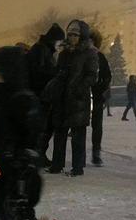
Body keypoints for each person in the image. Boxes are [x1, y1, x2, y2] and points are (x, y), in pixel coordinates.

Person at [0, 46, 44, 220]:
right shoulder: (0, 95)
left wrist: (25, 157)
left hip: (21, 166)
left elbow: (33, 133)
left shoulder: (23, 99)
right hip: (3, 161)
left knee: (19, 207)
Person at [47, 19, 99, 176]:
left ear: (82, 36)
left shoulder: (89, 53)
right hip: (62, 99)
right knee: (60, 133)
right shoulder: (64, 54)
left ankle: (77, 167)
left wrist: (79, 88)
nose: (72, 37)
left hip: (78, 100)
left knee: (78, 136)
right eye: (70, 34)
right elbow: (58, 73)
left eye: (75, 35)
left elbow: (92, 76)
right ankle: (57, 164)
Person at [28, 23, 64, 166]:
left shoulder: (44, 50)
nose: (59, 45)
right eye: (59, 41)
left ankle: (39, 154)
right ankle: (37, 155)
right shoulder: (41, 50)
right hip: (39, 96)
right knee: (42, 128)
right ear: (53, 39)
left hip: (42, 96)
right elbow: (38, 73)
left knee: (45, 128)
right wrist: (55, 73)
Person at [90, 29, 112, 166]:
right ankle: (80, 156)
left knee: (97, 126)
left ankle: (96, 152)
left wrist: (101, 88)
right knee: (79, 126)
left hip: (96, 96)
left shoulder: (100, 57)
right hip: (82, 95)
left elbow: (107, 76)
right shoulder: (81, 55)